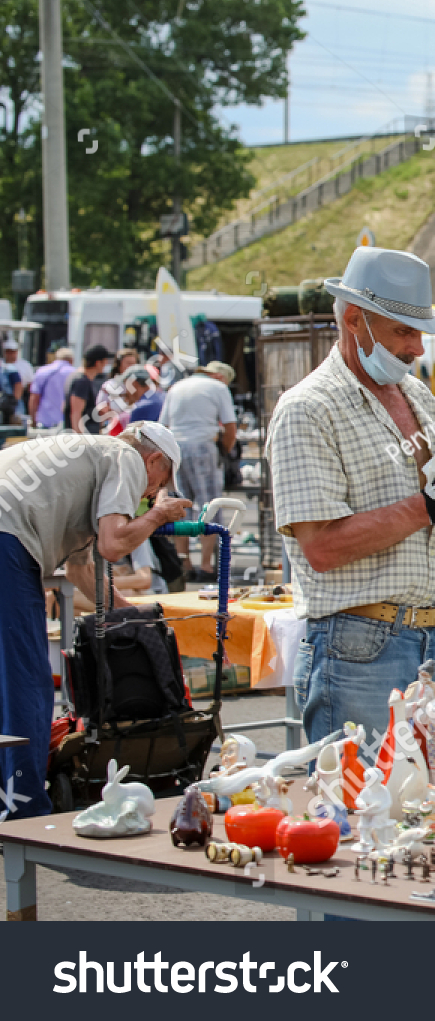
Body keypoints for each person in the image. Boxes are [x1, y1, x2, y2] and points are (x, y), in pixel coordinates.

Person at [268, 246, 435, 744]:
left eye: (419, 333)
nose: (416, 349)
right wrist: (433, 504)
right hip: (356, 643)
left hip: (429, 632)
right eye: (404, 332)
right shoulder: (308, 409)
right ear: (354, 320)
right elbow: (321, 547)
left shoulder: (417, 395)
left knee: (428, 805)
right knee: (365, 806)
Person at [0, 421, 192, 817]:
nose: (153, 491)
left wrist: (133, 614)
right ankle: (22, 813)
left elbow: (80, 572)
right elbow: (113, 542)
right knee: (25, 683)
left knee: (8, 680)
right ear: (153, 458)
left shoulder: (87, 459)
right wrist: (157, 516)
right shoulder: (123, 456)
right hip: (7, 538)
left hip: (9, 527)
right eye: (160, 481)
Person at [160, 360, 239, 581]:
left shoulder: (177, 387)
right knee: (209, 506)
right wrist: (224, 451)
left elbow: (163, 425)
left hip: (175, 447)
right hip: (203, 446)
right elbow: (230, 426)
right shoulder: (218, 388)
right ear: (221, 377)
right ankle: (205, 565)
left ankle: (184, 561)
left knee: (180, 506)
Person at [68, 344, 111, 434]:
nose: (106, 364)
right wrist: (80, 440)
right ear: (98, 362)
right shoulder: (81, 381)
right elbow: (76, 414)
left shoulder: (81, 378)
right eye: (105, 361)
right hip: (82, 439)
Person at [28, 346, 74, 429]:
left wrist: (33, 420)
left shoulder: (42, 371)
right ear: (71, 360)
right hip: (67, 424)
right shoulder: (74, 374)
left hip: (45, 421)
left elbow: (34, 398)